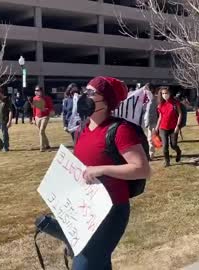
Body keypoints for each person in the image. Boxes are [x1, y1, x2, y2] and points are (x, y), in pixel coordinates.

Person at [73, 76, 151, 270]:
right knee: (99, 264)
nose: (85, 96)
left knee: (84, 264)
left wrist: (101, 170)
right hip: (87, 209)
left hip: (111, 210)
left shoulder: (120, 130)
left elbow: (142, 169)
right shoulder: (83, 128)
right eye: (86, 90)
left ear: (106, 100)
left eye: (92, 93)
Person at [155, 86, 182, 167]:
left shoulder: (175, 103)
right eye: (163, 93)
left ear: (170, 93)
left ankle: (178, 152)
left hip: (173, 127)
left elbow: (180, 114)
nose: (164, 95)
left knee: (173, 145)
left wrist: (178, 126)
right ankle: (167, 161)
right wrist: (157, 127)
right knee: (165, 146)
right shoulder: (160, 104)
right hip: (163, 128)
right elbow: (160, 116)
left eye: (166, 93)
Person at [32, 86, 54, 152]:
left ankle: (42, 147)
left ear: (41, 91)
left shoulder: (47, 98)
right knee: (42, 132)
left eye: (38, 90)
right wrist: (34, 118)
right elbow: (34, 109)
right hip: (37, 117)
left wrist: (46, 109)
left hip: (45, 116)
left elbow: (51, 108)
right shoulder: (34, 98)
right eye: (35, 90)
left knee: (41, 131)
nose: (36, 91)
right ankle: (47, 145)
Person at [143, 84, 158, 160]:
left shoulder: (155, 99)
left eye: (146, 89)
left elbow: (151, 112)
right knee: (149, 138)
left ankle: (151, 154)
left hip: (153, 121)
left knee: (150, 139)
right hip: (146, 121)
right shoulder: (145, 99)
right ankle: (150, 152)